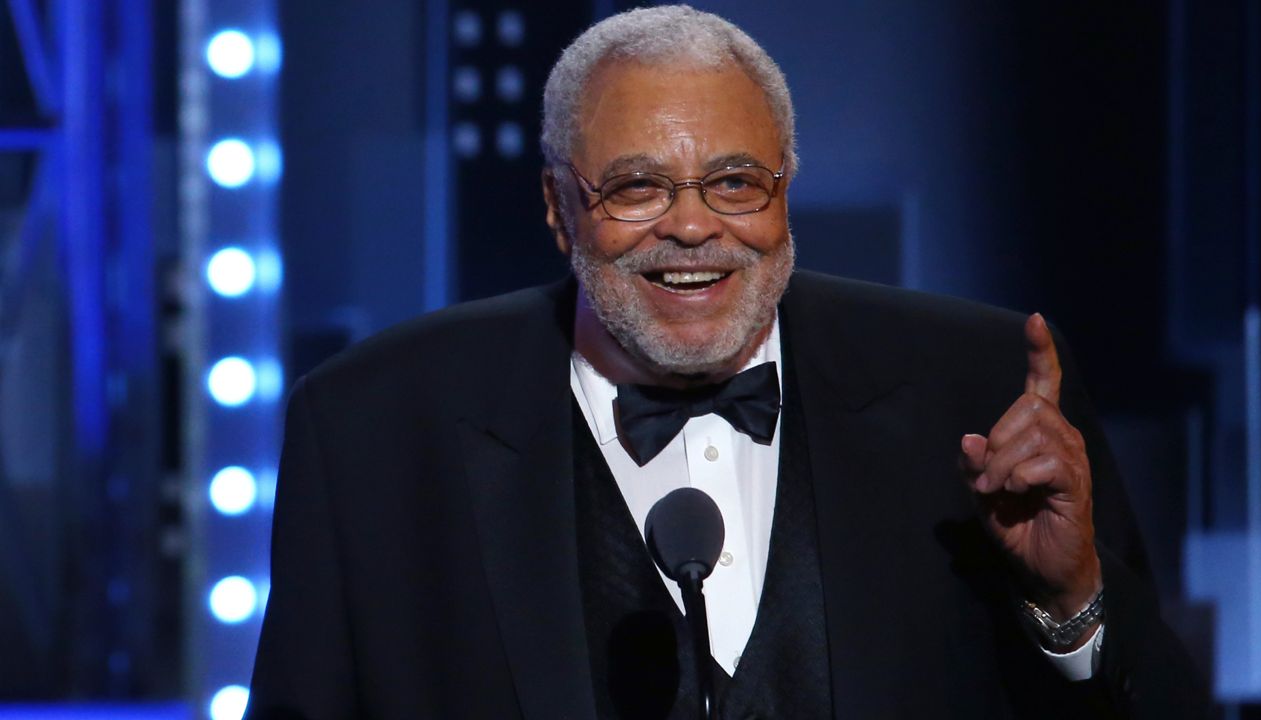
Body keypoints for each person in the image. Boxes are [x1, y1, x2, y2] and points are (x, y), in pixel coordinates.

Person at [247, 6, 1207, 719]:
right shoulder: (373, 428)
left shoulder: (983, 385)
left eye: (737, 182)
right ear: (555, 207)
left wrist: (1072, 605)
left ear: (787, 190)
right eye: (636, 186)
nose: (694, 225)